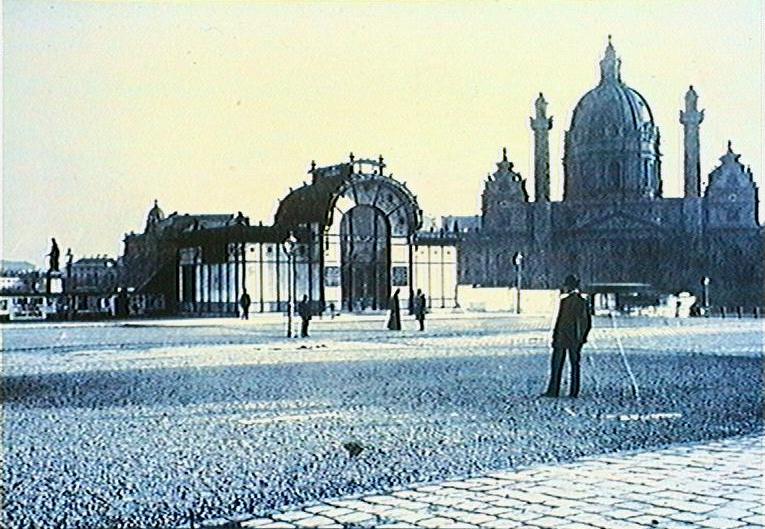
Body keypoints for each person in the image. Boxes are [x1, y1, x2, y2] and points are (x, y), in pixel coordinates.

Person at [543, 274, 592, 398]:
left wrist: (555, 336)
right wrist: (582, 337)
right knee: (575, 365)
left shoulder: (565, 301)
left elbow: (560, 322)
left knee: (557, 365)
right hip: (576, 338)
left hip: (563, 337)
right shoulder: (582, 302)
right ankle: (574, 391)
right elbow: (587, 322)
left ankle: (553, 390)